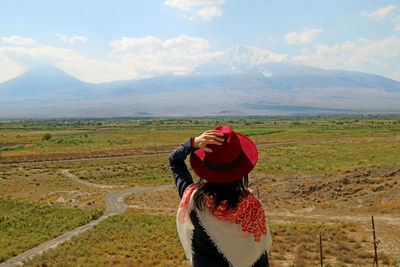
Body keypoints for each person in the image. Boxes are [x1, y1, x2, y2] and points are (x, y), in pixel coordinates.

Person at [169, 125, 272, 267]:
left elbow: (174, 160)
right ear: (241, 170)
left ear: (206, 168)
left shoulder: (194, 201)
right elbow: (259, 255)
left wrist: (192, 143)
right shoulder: (253, 207)